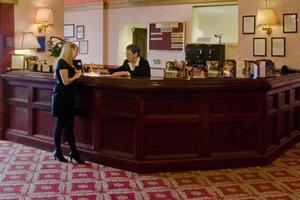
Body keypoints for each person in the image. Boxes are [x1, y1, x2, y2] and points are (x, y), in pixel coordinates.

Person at [51, 42, 85, 164]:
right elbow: (65, 81)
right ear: (69, 51)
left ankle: (74, 152)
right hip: (61, 98)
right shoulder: (62, 63)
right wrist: (76, 75)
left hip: (68, 98)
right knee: (60, 125)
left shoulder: (70, 63)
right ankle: (58, 151)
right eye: (76, 51)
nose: (77, 53)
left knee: (70, 127)